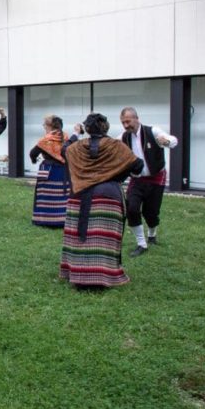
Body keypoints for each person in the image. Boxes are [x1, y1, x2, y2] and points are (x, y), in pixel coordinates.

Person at [60, 113, 143, 289]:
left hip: (79, 195)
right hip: (108, 196)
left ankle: (78, 274)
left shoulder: (76, 147)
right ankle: (103, 275)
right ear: (106, 127)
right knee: (102, 238)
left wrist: (76, 134)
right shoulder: (115, 146)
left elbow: (64, 150)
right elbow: (138, 165)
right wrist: (115, 173)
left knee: (80, 238)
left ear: (87, 129)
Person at [119, 107, 178, 257]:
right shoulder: (123, 137)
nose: (126, 125)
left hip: (156, 177)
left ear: (136, 118)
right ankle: (141, 244)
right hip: (137, 179)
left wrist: (166, 141)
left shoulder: (153, 131)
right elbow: (110, 145)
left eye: (128, 121)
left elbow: (173, 140)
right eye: (123, 122)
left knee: (151, 213)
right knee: (131, 208)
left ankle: (152, 234)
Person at [29, 114, 70, 227]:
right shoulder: (66, 137)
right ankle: (62, 219)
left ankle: (44, 219)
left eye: (44, 125)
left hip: (48, 170)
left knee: (45, 195)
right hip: (63, 171)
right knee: (62, 194)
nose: (43, 127)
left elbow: (33, 153)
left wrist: (33, 160)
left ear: (48, 126)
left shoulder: (46, 140)